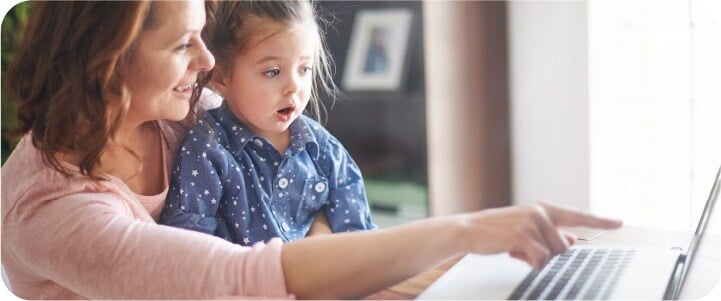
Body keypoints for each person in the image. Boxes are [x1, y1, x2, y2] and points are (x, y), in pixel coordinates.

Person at [0, 0, 622, 299]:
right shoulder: (52, 210)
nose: (211, 64)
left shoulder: (175, 109)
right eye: (185, 45)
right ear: (111, 59)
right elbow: (232, 277)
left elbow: (295, 185)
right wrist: (465, 228)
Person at [158, 0, 376, 246]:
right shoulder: (207, 150)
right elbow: (189, 248)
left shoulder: (324, 150)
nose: (294, 86)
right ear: (220, 77)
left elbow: (360, 242)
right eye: (273, 72)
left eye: (304, 69)